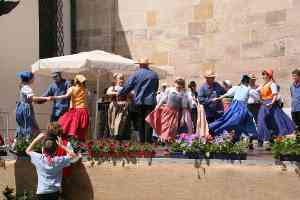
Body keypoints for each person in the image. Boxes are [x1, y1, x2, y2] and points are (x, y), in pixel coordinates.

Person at [26, 129, 78, 200]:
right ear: (55, 150)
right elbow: (74, 156)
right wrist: (62, 146)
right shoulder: (58, 160)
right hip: (54, 192)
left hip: (41, 192)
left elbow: (27, 150)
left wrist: (37, 139)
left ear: (44, 148)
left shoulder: (38, 158)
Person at [118, 58, 159, 143]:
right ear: (148, 65)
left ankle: (142, 142)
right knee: (149, 122)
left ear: (140, 65)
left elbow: (128, 86)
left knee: (140, 122)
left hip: (139, 101)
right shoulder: (154, 75)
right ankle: (148, 142)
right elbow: (156, 88)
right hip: (150, 101)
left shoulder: (136, 74)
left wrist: (121, 94)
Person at [209, 75, 257, 140]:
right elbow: (256, 96)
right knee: (235, 122)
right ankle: (214, 129)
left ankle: (236, 138)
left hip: (234, 107)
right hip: (241, 108)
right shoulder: (248, 89)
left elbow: (227, 94)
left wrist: (218, 98)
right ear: (247, 82)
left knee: (226, 119)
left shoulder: (237, 87)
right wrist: (263, 101)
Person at [257, 69, 295, 142]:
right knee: (262, 120)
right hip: (264, 105)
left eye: (265, 74)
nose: (263, 76)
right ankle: (266, 137)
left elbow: (275, 95)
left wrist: (271, 103)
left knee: (276, 121)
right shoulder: (262, 85)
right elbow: (256, 92)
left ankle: (274, 138)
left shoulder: (272, 84)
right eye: (263, 74)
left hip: (270, 104)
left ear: (269, 76)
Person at [51, 74, 89, 142]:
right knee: (80, 132)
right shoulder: (85, 90)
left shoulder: (72, 89)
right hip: (83, 112)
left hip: (75, 111)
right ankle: (79, 146)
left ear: (76, 81)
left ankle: (65, 143)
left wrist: (54, 97)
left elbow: (65, 96)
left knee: (64, 125)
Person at [15, 71, 51, 140]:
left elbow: (29, 99)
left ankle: (26, 141)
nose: (34, 79)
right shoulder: (27, 88)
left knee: (27, 125)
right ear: (30, 79)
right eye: (33, 78)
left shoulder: (23, 87)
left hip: (22, 108)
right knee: (28, 125)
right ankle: (27, 142)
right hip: (26, 109)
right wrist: (46, 98)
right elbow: (33, 98)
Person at [106, 73, 130, 140]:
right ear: (116, 80)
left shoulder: (125, 88)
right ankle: (113, 135)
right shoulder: (112, 87)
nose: (122, 80)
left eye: (123, 78)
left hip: (122, 107)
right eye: (120, 79)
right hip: (114, 105)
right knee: (112, 121)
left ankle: (117, 135)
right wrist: (116, 93)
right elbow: (108, 93)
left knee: (120, 121)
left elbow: (131, 94)